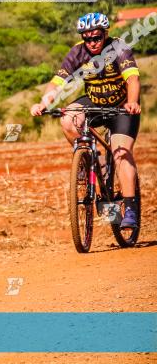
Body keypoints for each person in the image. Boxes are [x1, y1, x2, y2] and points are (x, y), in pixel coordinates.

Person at [30, 12, 141, 228]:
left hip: (121, 106)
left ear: (105, 34)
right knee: (67, 118)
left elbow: (133, 79)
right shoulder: (77, 51)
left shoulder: (119, 48)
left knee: (121, 154)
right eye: (87, 38)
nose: (92, 43)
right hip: (95, 101)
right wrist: (43, 103)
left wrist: (133, 102)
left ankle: (129, 209)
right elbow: (57, 83)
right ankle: (91, 159)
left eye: (96, 38)